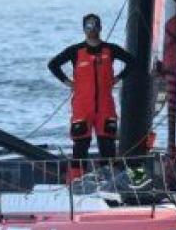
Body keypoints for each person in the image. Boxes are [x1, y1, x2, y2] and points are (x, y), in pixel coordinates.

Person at [47, 13, 134, 176]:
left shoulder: (111, 50)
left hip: (105, 107)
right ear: (84, 29)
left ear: (100, 28)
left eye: (95, 26)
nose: (92, 29)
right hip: (82, 107)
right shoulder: (76, 51)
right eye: (88, 26)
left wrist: (118, 78)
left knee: (107, 146)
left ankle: (108, 181)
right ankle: (75, 184)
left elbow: (132, 62)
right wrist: (67, 82)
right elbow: (53, 64)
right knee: (80, 147)